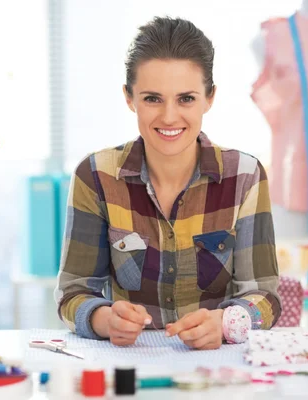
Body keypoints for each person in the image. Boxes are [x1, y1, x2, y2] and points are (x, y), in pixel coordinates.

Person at [54, 16, 281, 350]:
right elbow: (72, 294)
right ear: (129, 98)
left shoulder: (245, 176)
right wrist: (105, 320)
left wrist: (225, 323)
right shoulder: (96, 176)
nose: (170, 116)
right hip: (129, 367)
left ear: (210, 98)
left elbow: (265, 297)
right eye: (152, 99)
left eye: (186, 98)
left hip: (221, 372)